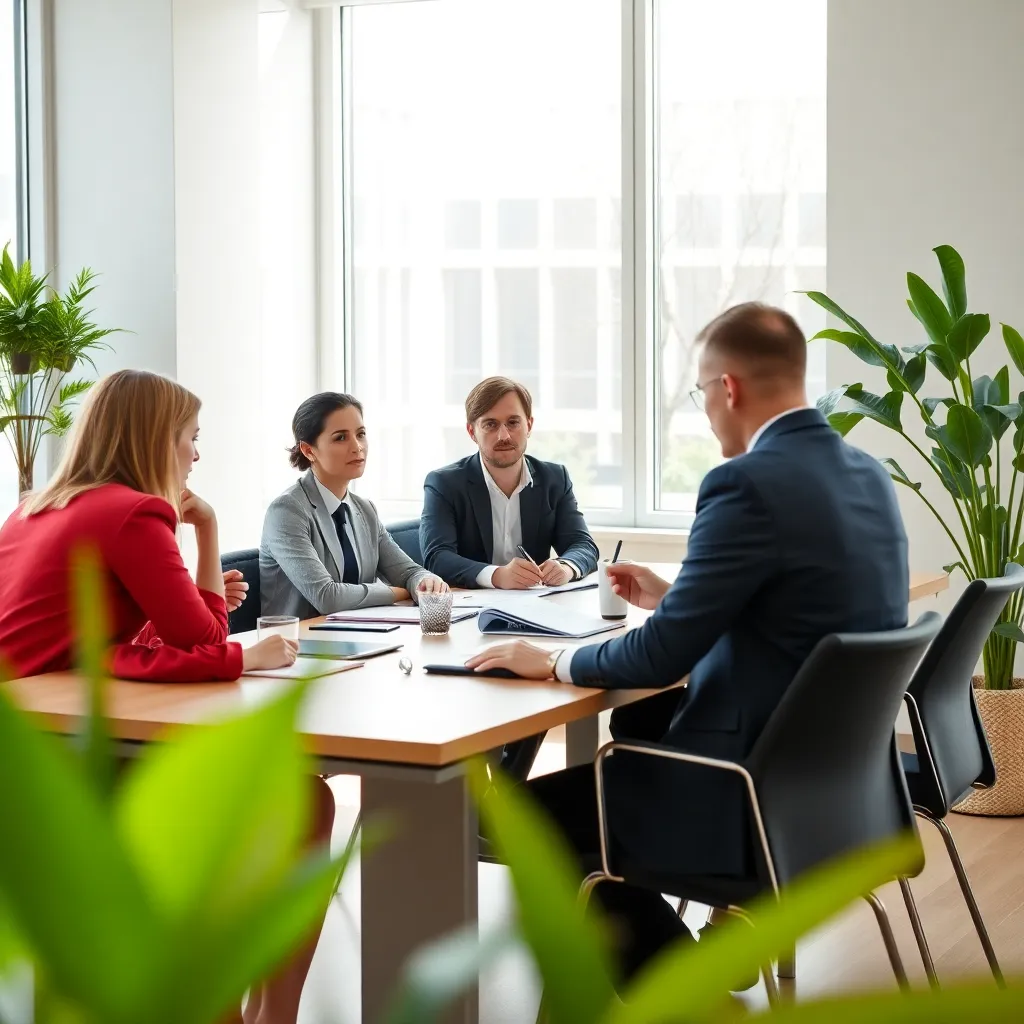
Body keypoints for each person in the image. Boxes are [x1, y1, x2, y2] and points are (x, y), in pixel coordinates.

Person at [465, 303, 910, 982]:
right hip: (840, 792)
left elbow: (658, 656)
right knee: (636, 728)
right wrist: (675, 596)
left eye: (701, 393)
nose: (705, 411)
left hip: (743, 794)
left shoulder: (744, 483)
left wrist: (549, 657)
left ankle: (684, 991)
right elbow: (801, 610)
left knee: (516, 819)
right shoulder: (866, 474)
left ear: (726, 388)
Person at [0, 369, 330, 1024]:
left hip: (30, 757)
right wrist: (207, 536)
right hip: (76, 764)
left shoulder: (34, 507)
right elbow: (202, 636)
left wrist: (205, 628)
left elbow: (101, 645)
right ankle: (263, 1016)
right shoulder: (133, 511)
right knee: (301, 800)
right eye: (190, 437)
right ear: (156, 438)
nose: (196, 454)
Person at [261, 392, 447, 618]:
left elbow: (408, 572)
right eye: (340, 437)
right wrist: (396, 593)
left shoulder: (364, 509)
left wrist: (425, 582)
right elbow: (328, 598)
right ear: (309, 450)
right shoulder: (287, 511)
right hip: (300, 645)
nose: (357, 447)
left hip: (359, 637)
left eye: (361, 434)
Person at [420, 376, 599, 590]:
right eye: (490, 424)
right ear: (472, 432)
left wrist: (566, 567)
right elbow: (437, 558)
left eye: (513, 423)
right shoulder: (444, 484)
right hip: (471, 607)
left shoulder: (555, 478)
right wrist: (497, 576)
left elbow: (583, 545)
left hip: (535, 606)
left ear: (529, 425)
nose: (504, 435)